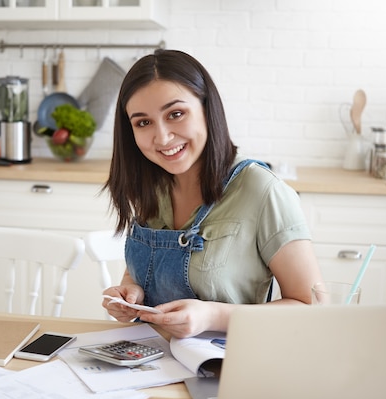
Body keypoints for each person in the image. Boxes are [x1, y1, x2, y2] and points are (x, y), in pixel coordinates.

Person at [102, 49, 322, 338]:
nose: (162, 137)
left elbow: (314, 307)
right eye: (143, 122)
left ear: (207, 109)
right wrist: (131, 292)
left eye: (176, 114)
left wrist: (213, 315)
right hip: (149, 362)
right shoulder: (150, 185)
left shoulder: (262, 190)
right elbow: (144, 270)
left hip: (228, 367)